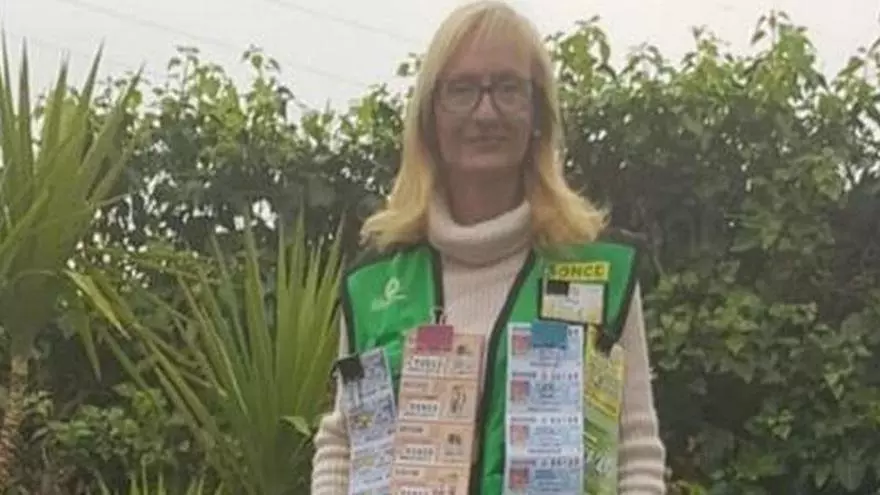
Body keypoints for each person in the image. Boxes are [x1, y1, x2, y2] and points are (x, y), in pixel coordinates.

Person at [310, 1, 667, 493]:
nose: (485, 112)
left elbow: (635, 451)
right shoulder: (375, 282)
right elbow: (344, 442)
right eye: (461, 90)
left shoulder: (601, 269)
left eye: (507, 88)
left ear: (537, 113)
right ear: (430, 116)